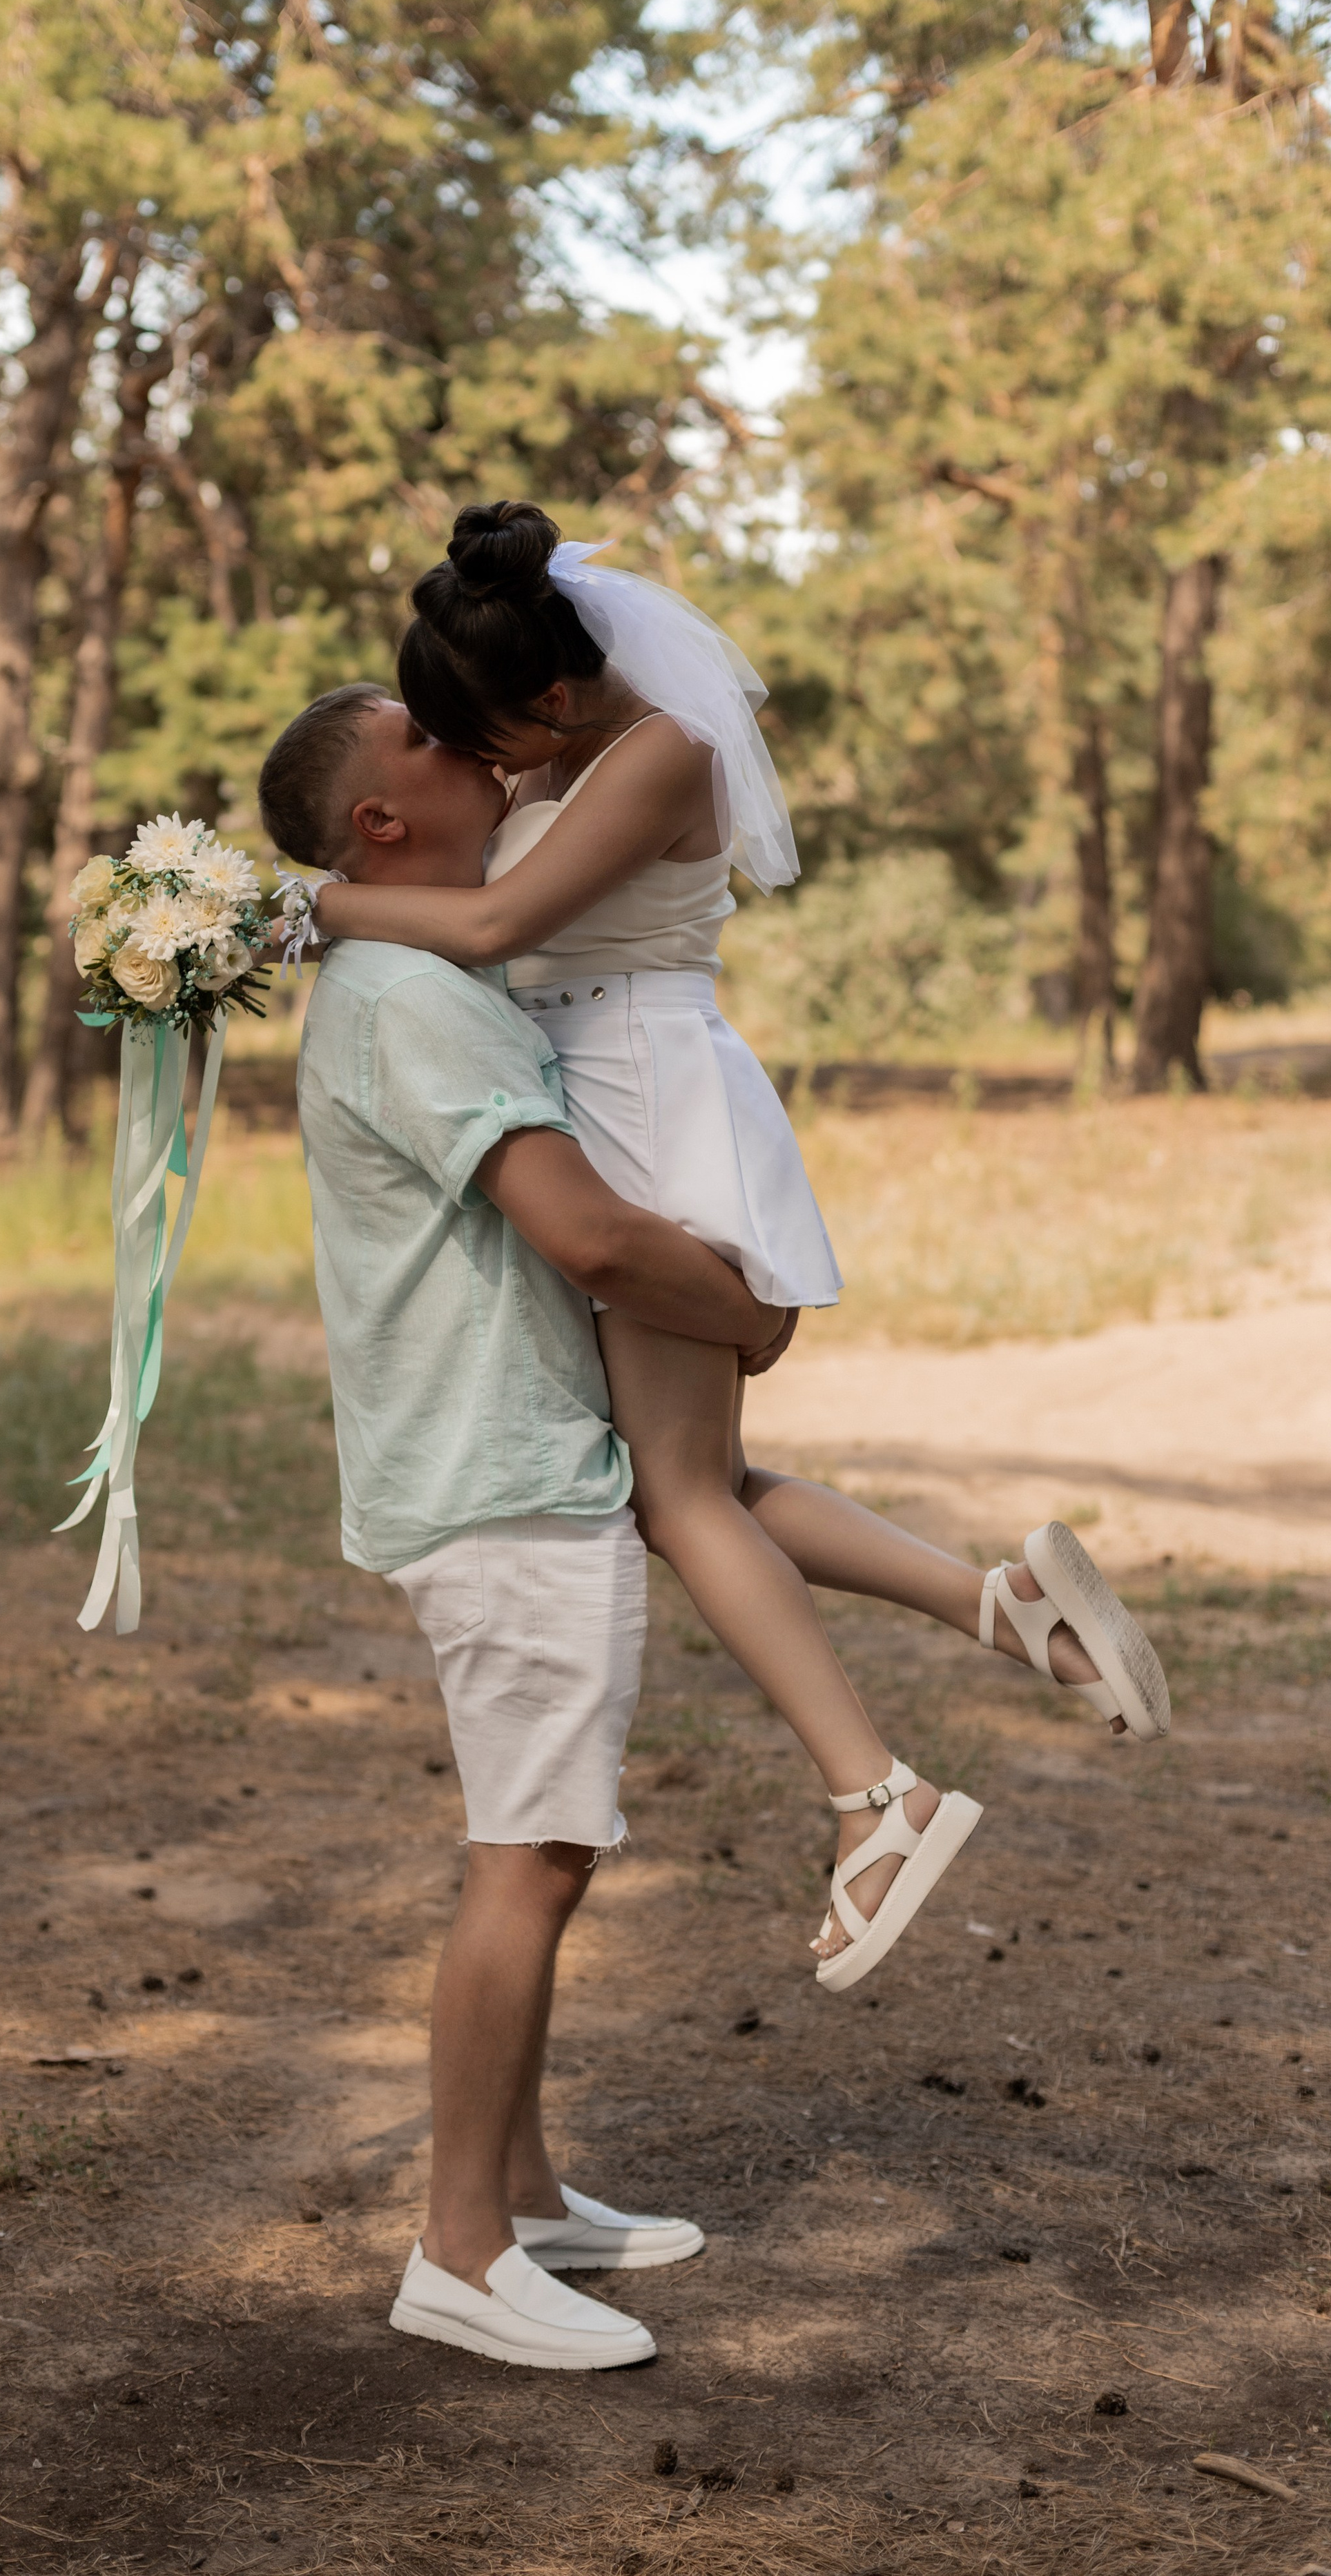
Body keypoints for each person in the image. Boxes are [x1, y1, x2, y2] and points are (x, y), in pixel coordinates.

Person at [284, 505, 1171, 1993]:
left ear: (553, 695)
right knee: (695, 1479)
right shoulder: (563, 739)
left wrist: (296, 909)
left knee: (677, 1491)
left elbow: (494, 920)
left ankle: (875, 1797)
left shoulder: (662, 752)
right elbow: (450, 869)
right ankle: (992, 1605)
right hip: (595, 1084)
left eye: (488, 735)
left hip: (642, 1098)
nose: (488, 765)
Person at [262, 689, 795, 2370]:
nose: (466, 737)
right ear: (380, 825)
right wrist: (749, 1312)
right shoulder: (417, 995)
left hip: (495, 1455)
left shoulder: (410, 972)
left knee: (536, 1840)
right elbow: (579, 1234)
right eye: (422, 735)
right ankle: (459, 2249)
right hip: (497, 1473)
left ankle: (525, 2188)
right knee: (535, 1854)